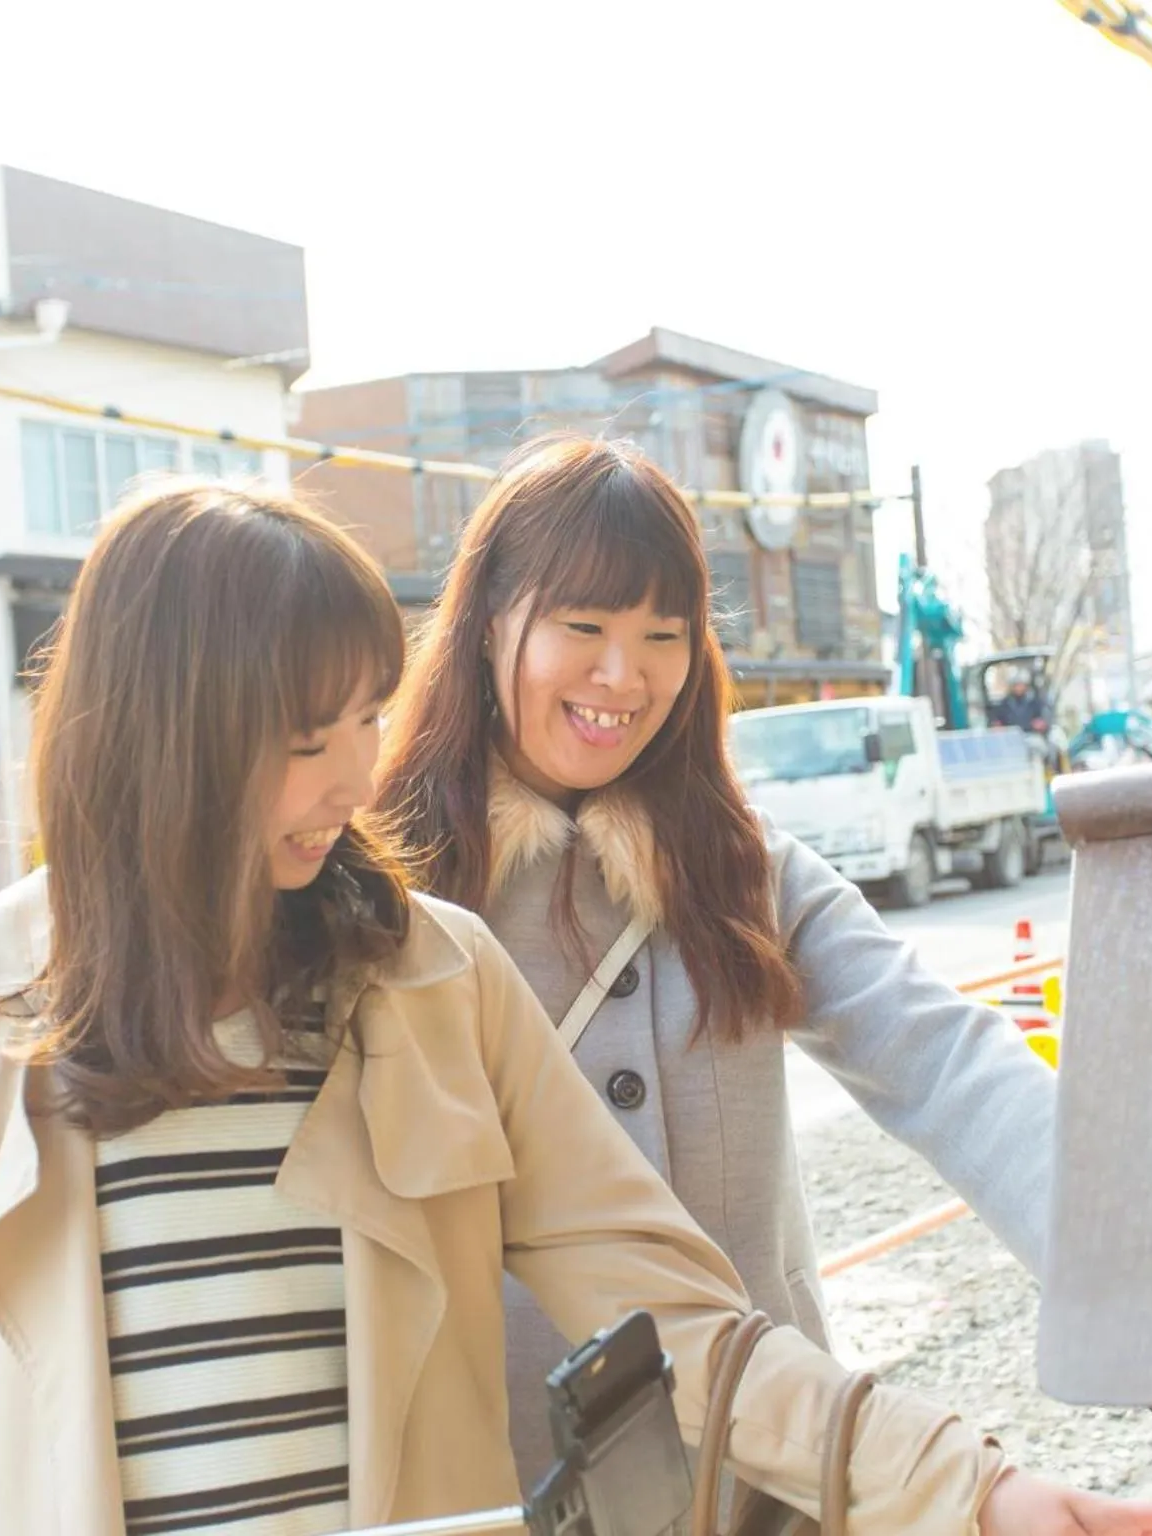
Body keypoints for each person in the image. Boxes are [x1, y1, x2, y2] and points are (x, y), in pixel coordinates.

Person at [0, 480, 1152, 1536]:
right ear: (164, 739)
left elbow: (699, 1302)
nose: (354, 774)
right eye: (310, 735)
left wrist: (986, 1489)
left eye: (370, 720)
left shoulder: (440, 974)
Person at [375, 438, 1093, 1491]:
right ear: (487, 623)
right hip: (507, 1482)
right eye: (582, 628)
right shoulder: (392, 891)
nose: (622, 676)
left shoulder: (741, 871)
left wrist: (1132, 1274)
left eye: (660, 635)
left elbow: (944, 1060)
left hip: (766, 1477)